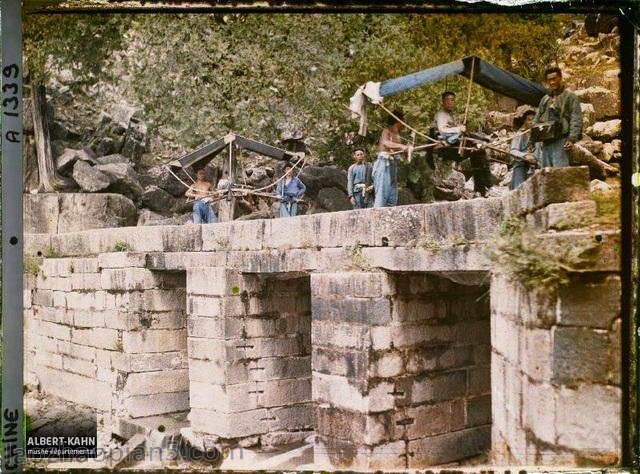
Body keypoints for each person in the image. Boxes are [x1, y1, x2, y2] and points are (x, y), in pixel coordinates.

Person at [433, 91, 493, 197]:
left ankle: (481, 189)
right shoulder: (441, 114)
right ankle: (486, 186)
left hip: (456, 144)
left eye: (452, 100)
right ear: (443, 102)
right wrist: (459, 128)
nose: (450, 102)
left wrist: (460, 127)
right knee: (478, 150)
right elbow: (442, 130)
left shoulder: (450, 115)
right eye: (448, 100)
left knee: (478, 154)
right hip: (447, 147)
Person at [532, 66, 582, 168]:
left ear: (560, 78)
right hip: (546, 141)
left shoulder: (570, 97)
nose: (552, 82)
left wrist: (572, 139)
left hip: (561, 140)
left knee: (560, 170)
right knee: (547, 171)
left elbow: (576, 118)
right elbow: (537, 118)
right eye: (549, 80)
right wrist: (537, 138)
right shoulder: (545, 99)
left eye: (554, 79)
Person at [373, 111, 410, 208]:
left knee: (392, 196)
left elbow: (402, 153)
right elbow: (386, 143)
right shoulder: (386, 131)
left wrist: (407, 150)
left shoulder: (398, 136)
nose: (405, 122)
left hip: (392, 165)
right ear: (399, 121)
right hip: (383, 163)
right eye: (404, 120)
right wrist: (402, 146)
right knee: (382, 194)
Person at [510, 109, 540, 189]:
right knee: (519, 189)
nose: (531, 122)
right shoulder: (520, 134)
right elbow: (513, 151)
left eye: (534, 120)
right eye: (529, 120)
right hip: (521, 164)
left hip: (535, 166)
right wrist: (525, 156)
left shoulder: (538, 134)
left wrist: (535, 159)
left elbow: (540, 151)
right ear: (524, 122)